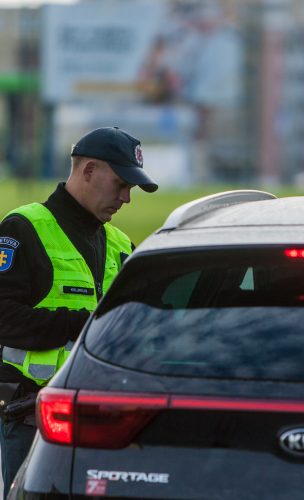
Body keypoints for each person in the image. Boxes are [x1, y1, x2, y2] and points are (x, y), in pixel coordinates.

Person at [0, 126, 158, 497]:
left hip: (103, 421)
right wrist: (85, 324)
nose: (126, 199)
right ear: (88, 170)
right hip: (32, 418)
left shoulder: (121, 245)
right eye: (121, 184)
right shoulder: (24, 228)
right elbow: (4, 318)